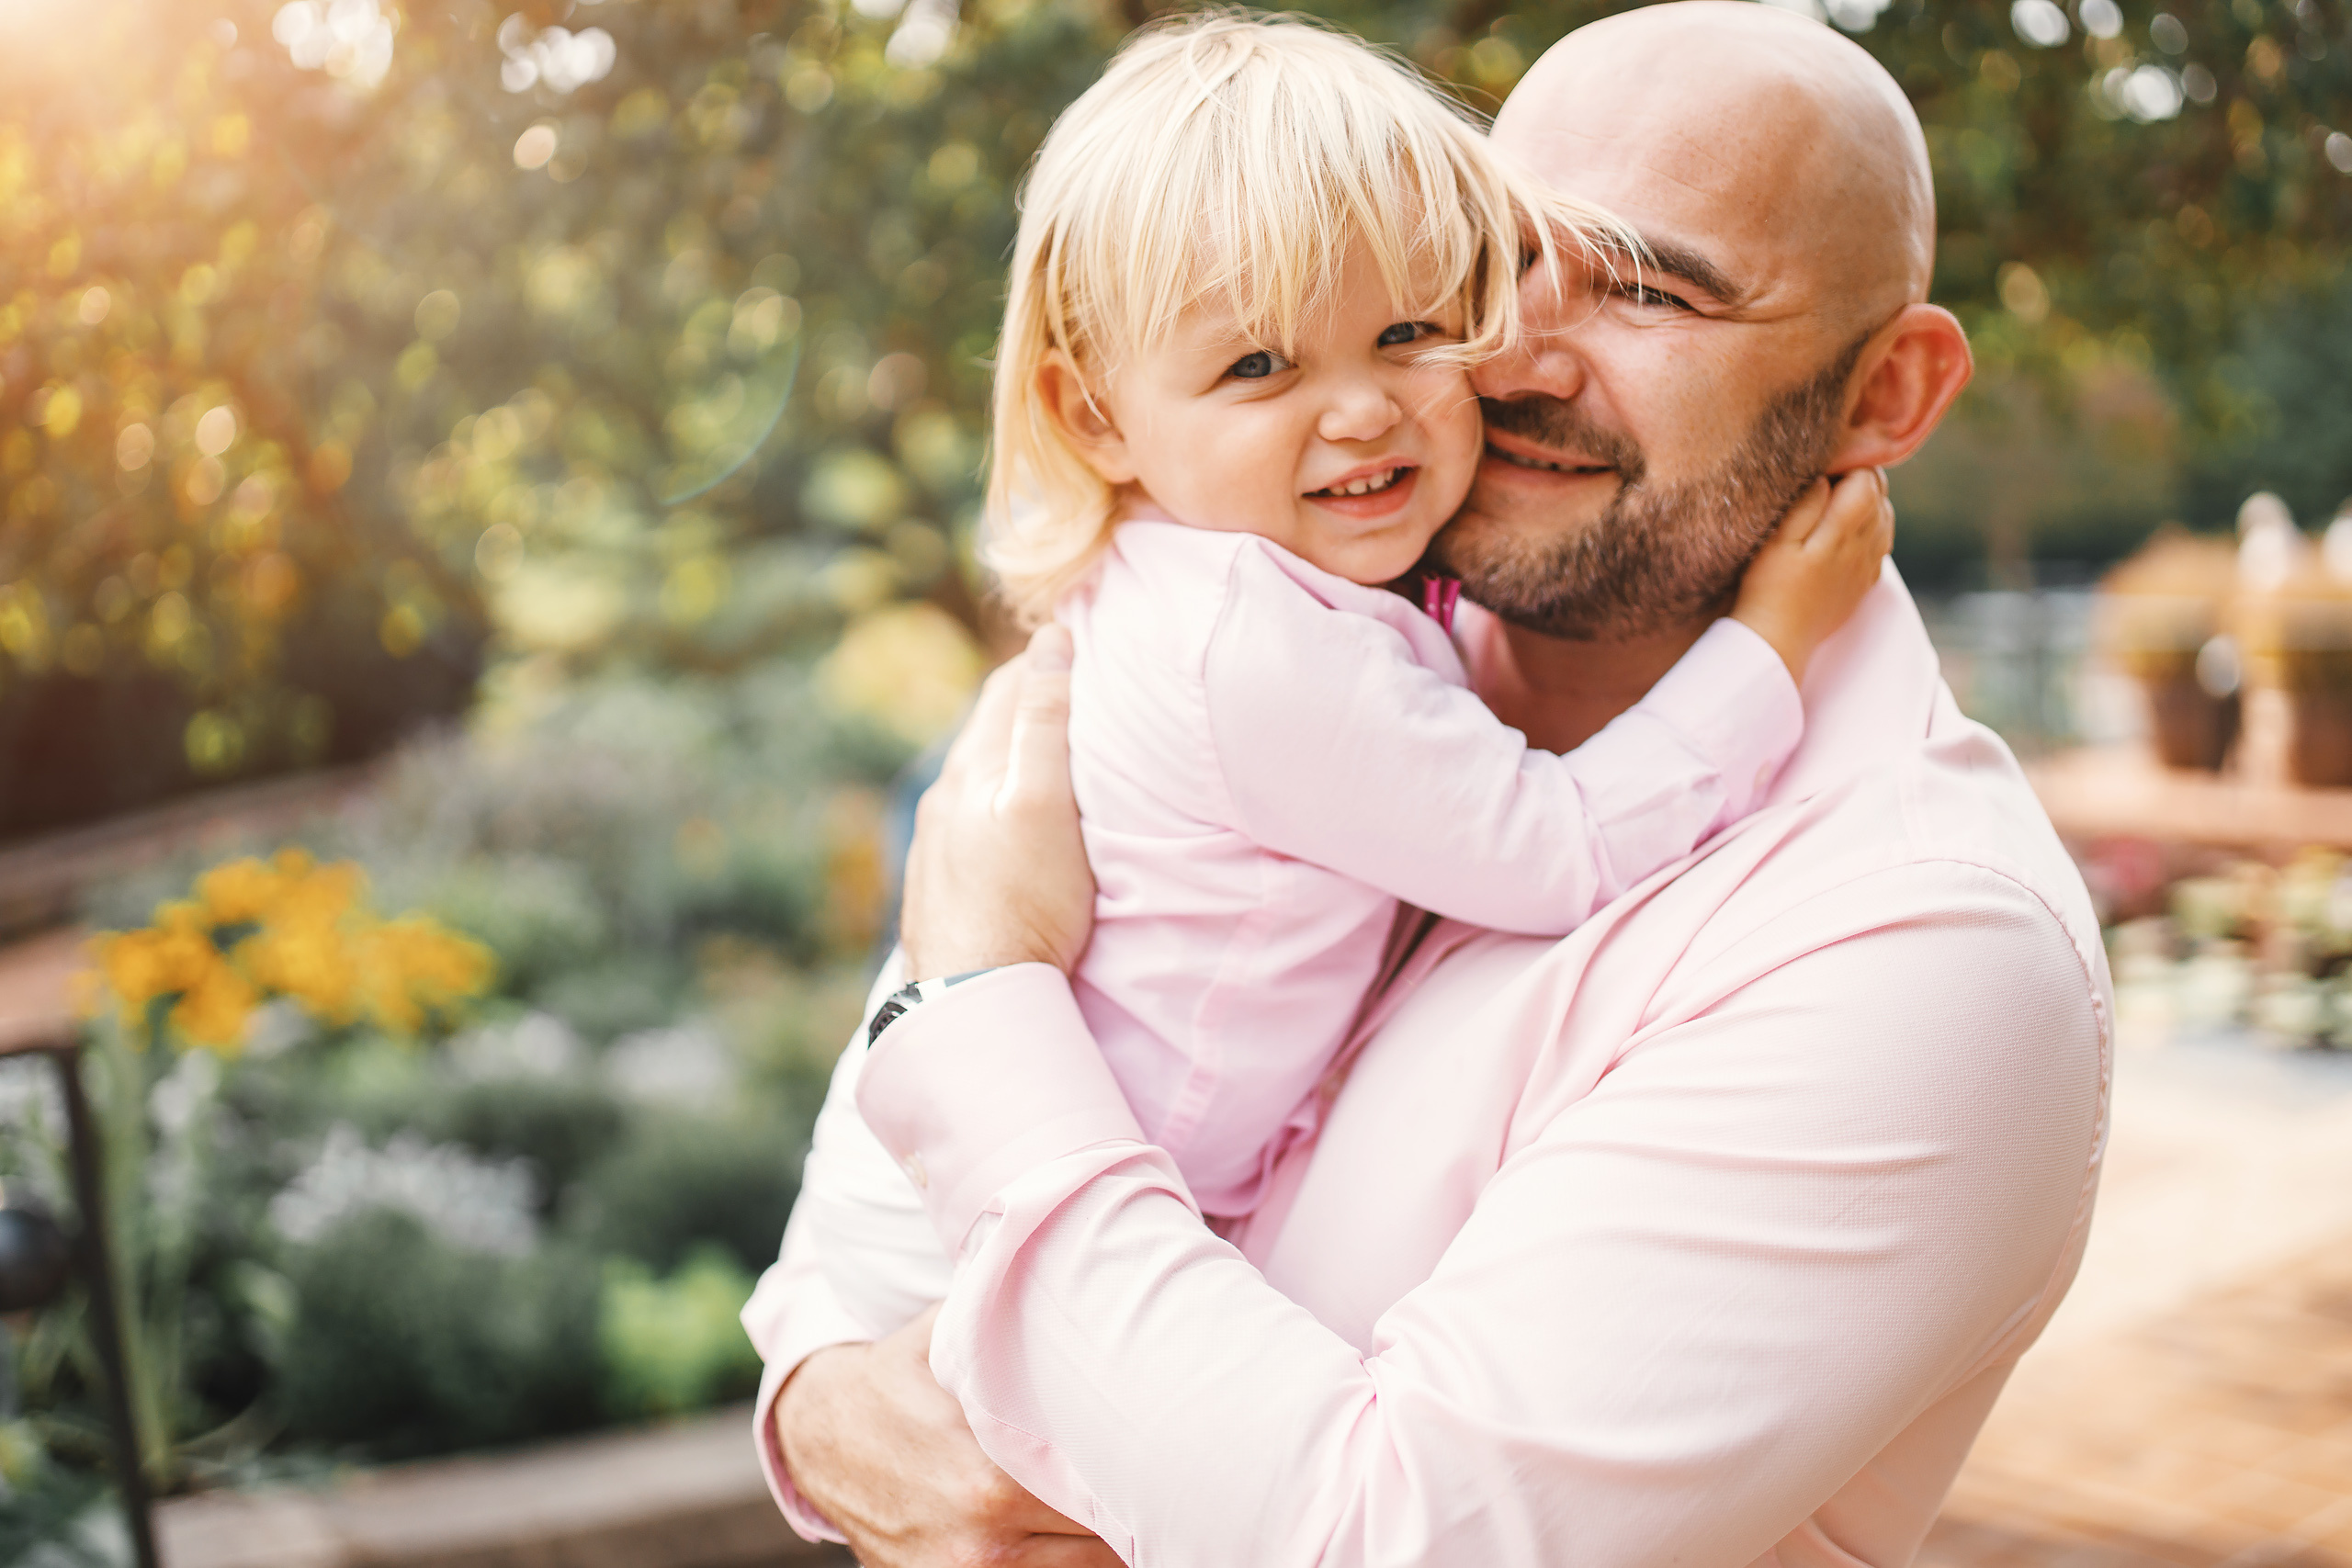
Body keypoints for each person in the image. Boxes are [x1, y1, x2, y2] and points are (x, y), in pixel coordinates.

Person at [744, 6, 2112, 1566]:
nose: (1505, 353)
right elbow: (854, 1248)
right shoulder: (1317, 628)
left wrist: (976, 1001)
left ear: (1886, 395)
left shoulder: (1923, 944)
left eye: (1646, 289)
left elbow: (1384, 1541)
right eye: (1488, 263)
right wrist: (819, 1401)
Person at [797, 11, 1894, 1339]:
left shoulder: (1209, 566)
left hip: (964, 1185)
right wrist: (1769, 648)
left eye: (1413, 330)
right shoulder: (1252, 649)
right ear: (1095, 414)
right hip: (987, 1241)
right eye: (1258, 364)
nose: (1365, 409)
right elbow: (1565, 848)